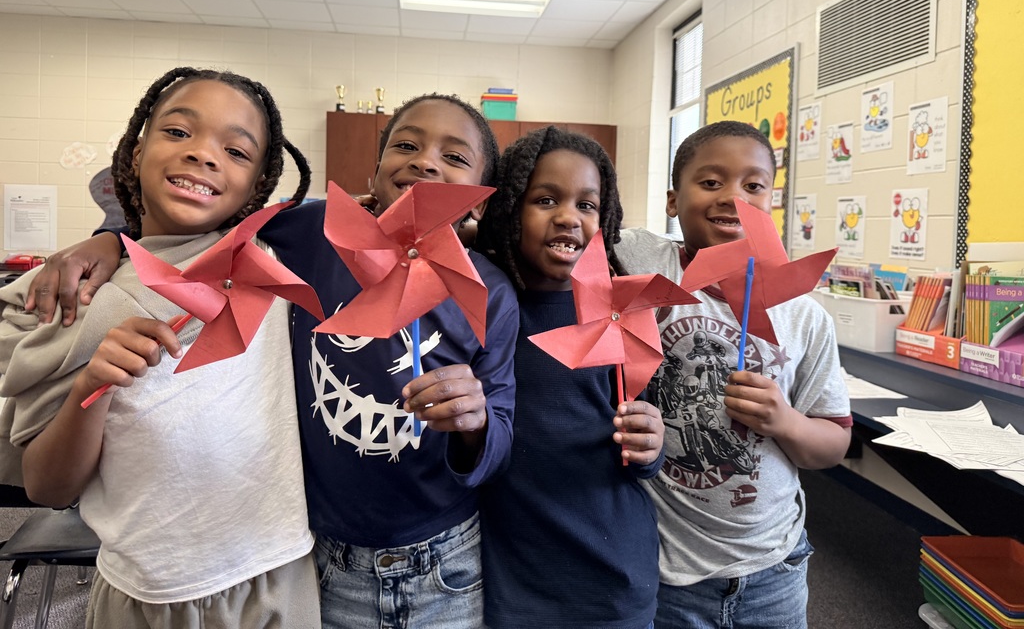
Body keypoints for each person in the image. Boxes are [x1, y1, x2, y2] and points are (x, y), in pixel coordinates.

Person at [21, 93, 520, 629]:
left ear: (478, 202)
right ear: (374, 173)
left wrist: (476, 424)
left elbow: (500, 433)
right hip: (322, 552)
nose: (425, 161)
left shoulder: (490, 295)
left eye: (455, 157)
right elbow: (212, 229)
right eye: (406, 145)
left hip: (442, 558)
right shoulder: (315, 234)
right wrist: (110, 241)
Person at [0, 67, 321, 627]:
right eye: (178, 132)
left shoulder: (276, 263)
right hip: (142, 590)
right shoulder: (77, 300)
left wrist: (108, 233)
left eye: (237, 151)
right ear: (133, 151)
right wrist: (91, 387)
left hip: (274, 576)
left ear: (260, 185)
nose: (203, 154)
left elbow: (402, 235)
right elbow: (47, 486)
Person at [615, 120, 852, 629]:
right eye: (710, 182)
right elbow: (565, 226)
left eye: (752, 185)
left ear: (772, 201)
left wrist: (784, 421)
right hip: (665, 569)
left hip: (773, 566)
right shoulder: (644, 260)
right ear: (673, 201)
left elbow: (832, 445)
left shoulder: (805, 317)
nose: (731, 197)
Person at [475, 126, 664, 629]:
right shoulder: (483, 301)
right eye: (545, 199)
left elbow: (644, 442)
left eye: (587, 205)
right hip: (514, 583)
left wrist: (651, 445)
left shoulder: (623, 312)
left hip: (614, 580)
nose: (568, 217)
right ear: (510, 206)